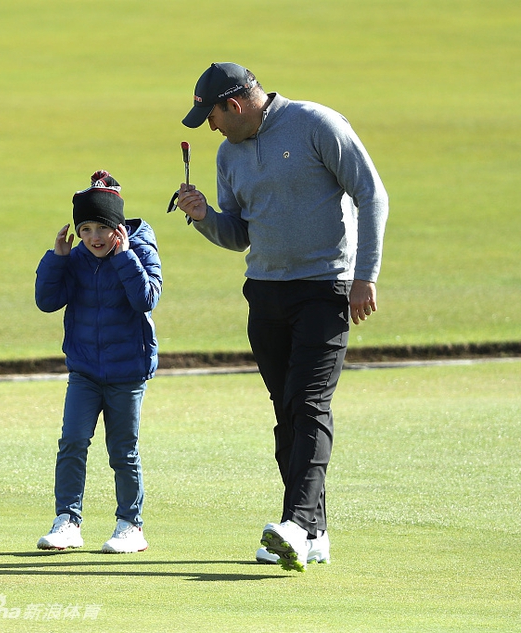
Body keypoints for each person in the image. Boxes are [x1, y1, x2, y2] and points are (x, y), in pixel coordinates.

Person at [175, 63, 389, 571]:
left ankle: (293, 522)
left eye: (212, 116)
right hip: (265, 294)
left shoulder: (317, 124)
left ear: (236, 104)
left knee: (309, 402)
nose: (211, 128)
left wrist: (366, 276)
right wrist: (205, 218)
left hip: (326, 287)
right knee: (287, 411)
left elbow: (371, 194)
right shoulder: (229, 155)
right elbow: (239, 235)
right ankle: (313, 533)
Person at [35, 170, 163, 554]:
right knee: (72, 441)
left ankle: (130, 526)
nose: (94, 237)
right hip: (85, 371)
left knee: (122, 449)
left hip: (128, 372)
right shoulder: (73, 258)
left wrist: (124, 257)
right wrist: (56, 259)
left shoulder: (139, 251)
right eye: (86, 228)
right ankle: (68, 522)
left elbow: (146, 299)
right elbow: (46, 301)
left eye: (102, 228)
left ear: (118, 228)